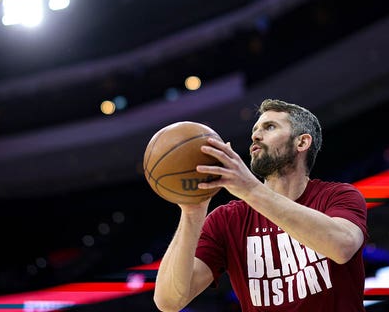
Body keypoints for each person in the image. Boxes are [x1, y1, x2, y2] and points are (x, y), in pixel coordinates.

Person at [153, 99, 368, 311]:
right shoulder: (227, 220)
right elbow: (169, 301)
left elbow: (342, 247)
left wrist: (251, 190)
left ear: (301, 142)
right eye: (255, 130)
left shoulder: (338, 196)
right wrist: (192, 211)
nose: (255, 135)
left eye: (270, 127)